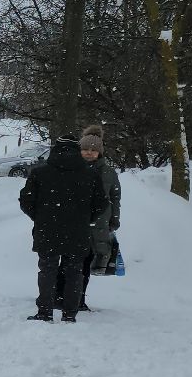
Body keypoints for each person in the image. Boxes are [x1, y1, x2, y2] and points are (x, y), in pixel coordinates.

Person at [19, 135, 104, 322]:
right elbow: (101, 204)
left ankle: (45, 312)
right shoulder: (90, 174)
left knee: (47, 269)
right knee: (75, 271)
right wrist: (85, 219)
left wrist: (40, 217)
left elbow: (26, 201)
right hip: (78, 230)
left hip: (47, 229)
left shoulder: (40, 173)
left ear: (55, 149)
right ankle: (69, 314)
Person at [75, 125, 122, 309]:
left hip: (98, 224)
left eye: (93, 150)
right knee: (71, 263)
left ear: (100, 152)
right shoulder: (73, 170)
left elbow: (115, 198)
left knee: (86, 263)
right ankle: (64, 296)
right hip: (75, 223)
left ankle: (80, 298)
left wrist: (114, 219)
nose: (89, 153)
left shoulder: (108, 172)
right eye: (85, 149)